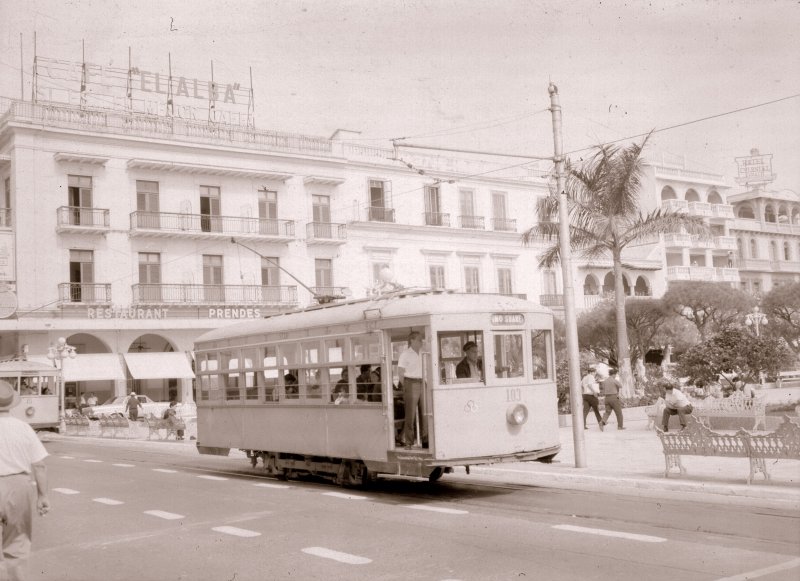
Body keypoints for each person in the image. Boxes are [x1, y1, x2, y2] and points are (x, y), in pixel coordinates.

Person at [0, 379, 50, 581]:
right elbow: (39, 465)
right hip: (18, 487)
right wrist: (43, 496)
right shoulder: (23, 428)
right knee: (17, 545)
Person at [397, 331, 427, 448]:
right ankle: (409, 442)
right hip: (411, 382)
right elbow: (400, 372)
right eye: (419, 340)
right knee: (410, 414)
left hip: (423, 382)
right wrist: (406, 386)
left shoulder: (423, 352)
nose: (421, 342)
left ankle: (426, 440)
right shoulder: (405, 354)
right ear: (412, 340)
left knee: (425, 412)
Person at [581, 366, 603, 431]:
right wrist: (594, 392)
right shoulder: (591, 377)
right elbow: (589, 385)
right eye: (594, 372)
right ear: (591, 372)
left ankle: (583, 425)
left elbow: (581, 386)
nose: (595, 374)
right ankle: (601, 423)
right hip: (591, 395)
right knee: (596, 410)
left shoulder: (584, 378)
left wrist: (584, 392)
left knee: (585, 411)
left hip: (585, 395)